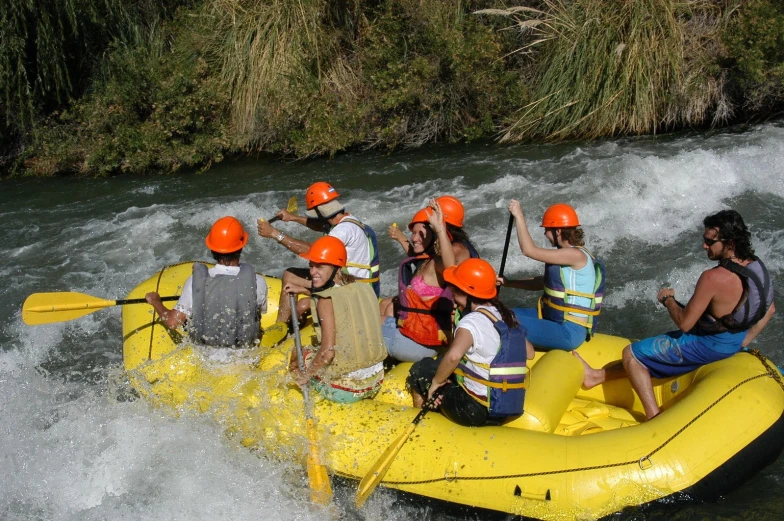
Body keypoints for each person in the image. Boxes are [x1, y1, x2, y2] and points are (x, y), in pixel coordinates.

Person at [580, 209, 776, 420]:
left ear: (730, 243)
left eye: (710, 242)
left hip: (710, 343)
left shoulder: (713, 277)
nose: (704, 246)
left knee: (632, 355)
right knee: (648, 352)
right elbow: (770, 309)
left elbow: (685, 323)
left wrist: (668, 300)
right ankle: (596, 376)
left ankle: (653, 417)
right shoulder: (757, 266)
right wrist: (742, 340)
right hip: (735, 339)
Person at [406, 258, 534, 427]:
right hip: (508, 409)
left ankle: (422, 427)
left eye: (454, 293)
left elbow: (453, 356)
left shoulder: (471, 321)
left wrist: (435, 384)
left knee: (421, 369)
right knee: (450, 373)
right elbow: (530, 352)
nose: (453, 299)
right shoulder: (505, 315)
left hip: (475, 410)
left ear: (465, 293)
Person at [257, 181, 379, 335]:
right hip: (361, 286)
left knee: (296, 288)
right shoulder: (348, 221)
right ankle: (282, 328)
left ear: (321, 212)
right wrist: (292, 218)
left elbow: (313, 251)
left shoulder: (341, 232)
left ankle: (280, 332)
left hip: (352, 292)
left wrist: (275, 234)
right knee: (290, 275)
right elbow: (321, 225)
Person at [287, 236, 388, 403]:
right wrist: (306, 291)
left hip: (348, 390)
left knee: (299, 354)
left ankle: (296, 397)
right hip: (376, 381)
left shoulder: (325, 301)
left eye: (319, 266)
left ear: (335, 267)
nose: (312, 272)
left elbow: (327, 354)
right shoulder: (364, 288)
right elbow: (340, 296)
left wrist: (306, 375)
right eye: (311, 266)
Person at [380, 196, 480, 362]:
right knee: (387, 305)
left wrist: (440, 229)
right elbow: (420, 258)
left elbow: (449, 269)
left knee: (366, 322)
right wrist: (402, 239)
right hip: (427, 332)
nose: (415, 237)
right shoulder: (446, 250)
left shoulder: (456, 251)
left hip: (427, 339)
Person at [145, 216, 268, 349]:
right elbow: (253, 314)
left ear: (212, 249)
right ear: (241, 247)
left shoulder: (196, 282)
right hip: (244, 358)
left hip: (207, 359)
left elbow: (172, 322)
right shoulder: (257, 282)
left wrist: (155, 301)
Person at [498, 200, 605, 351]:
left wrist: (519, 216)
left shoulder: (575, 254)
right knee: (497, 312)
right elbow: (542, 283)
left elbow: (528, 250)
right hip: (553, 318)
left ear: (558, 231)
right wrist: (509, 282)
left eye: (547, 229)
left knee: (499, 320)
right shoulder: (567, 255)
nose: (544, 233)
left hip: (569, 330)